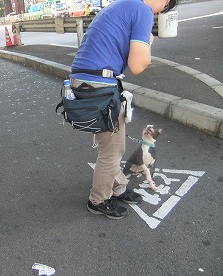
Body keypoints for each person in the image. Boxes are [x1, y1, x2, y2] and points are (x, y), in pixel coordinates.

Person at [70, 0, 177, 219]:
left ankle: (118, 188)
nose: (160, 13)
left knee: (112, 144)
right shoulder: (143, 10)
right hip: (99, 85)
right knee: (111, 151)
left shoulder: (123, 4)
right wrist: (148, 42)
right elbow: (138, 65)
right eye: (165, 8)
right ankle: (98, 200)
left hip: (84, 81)